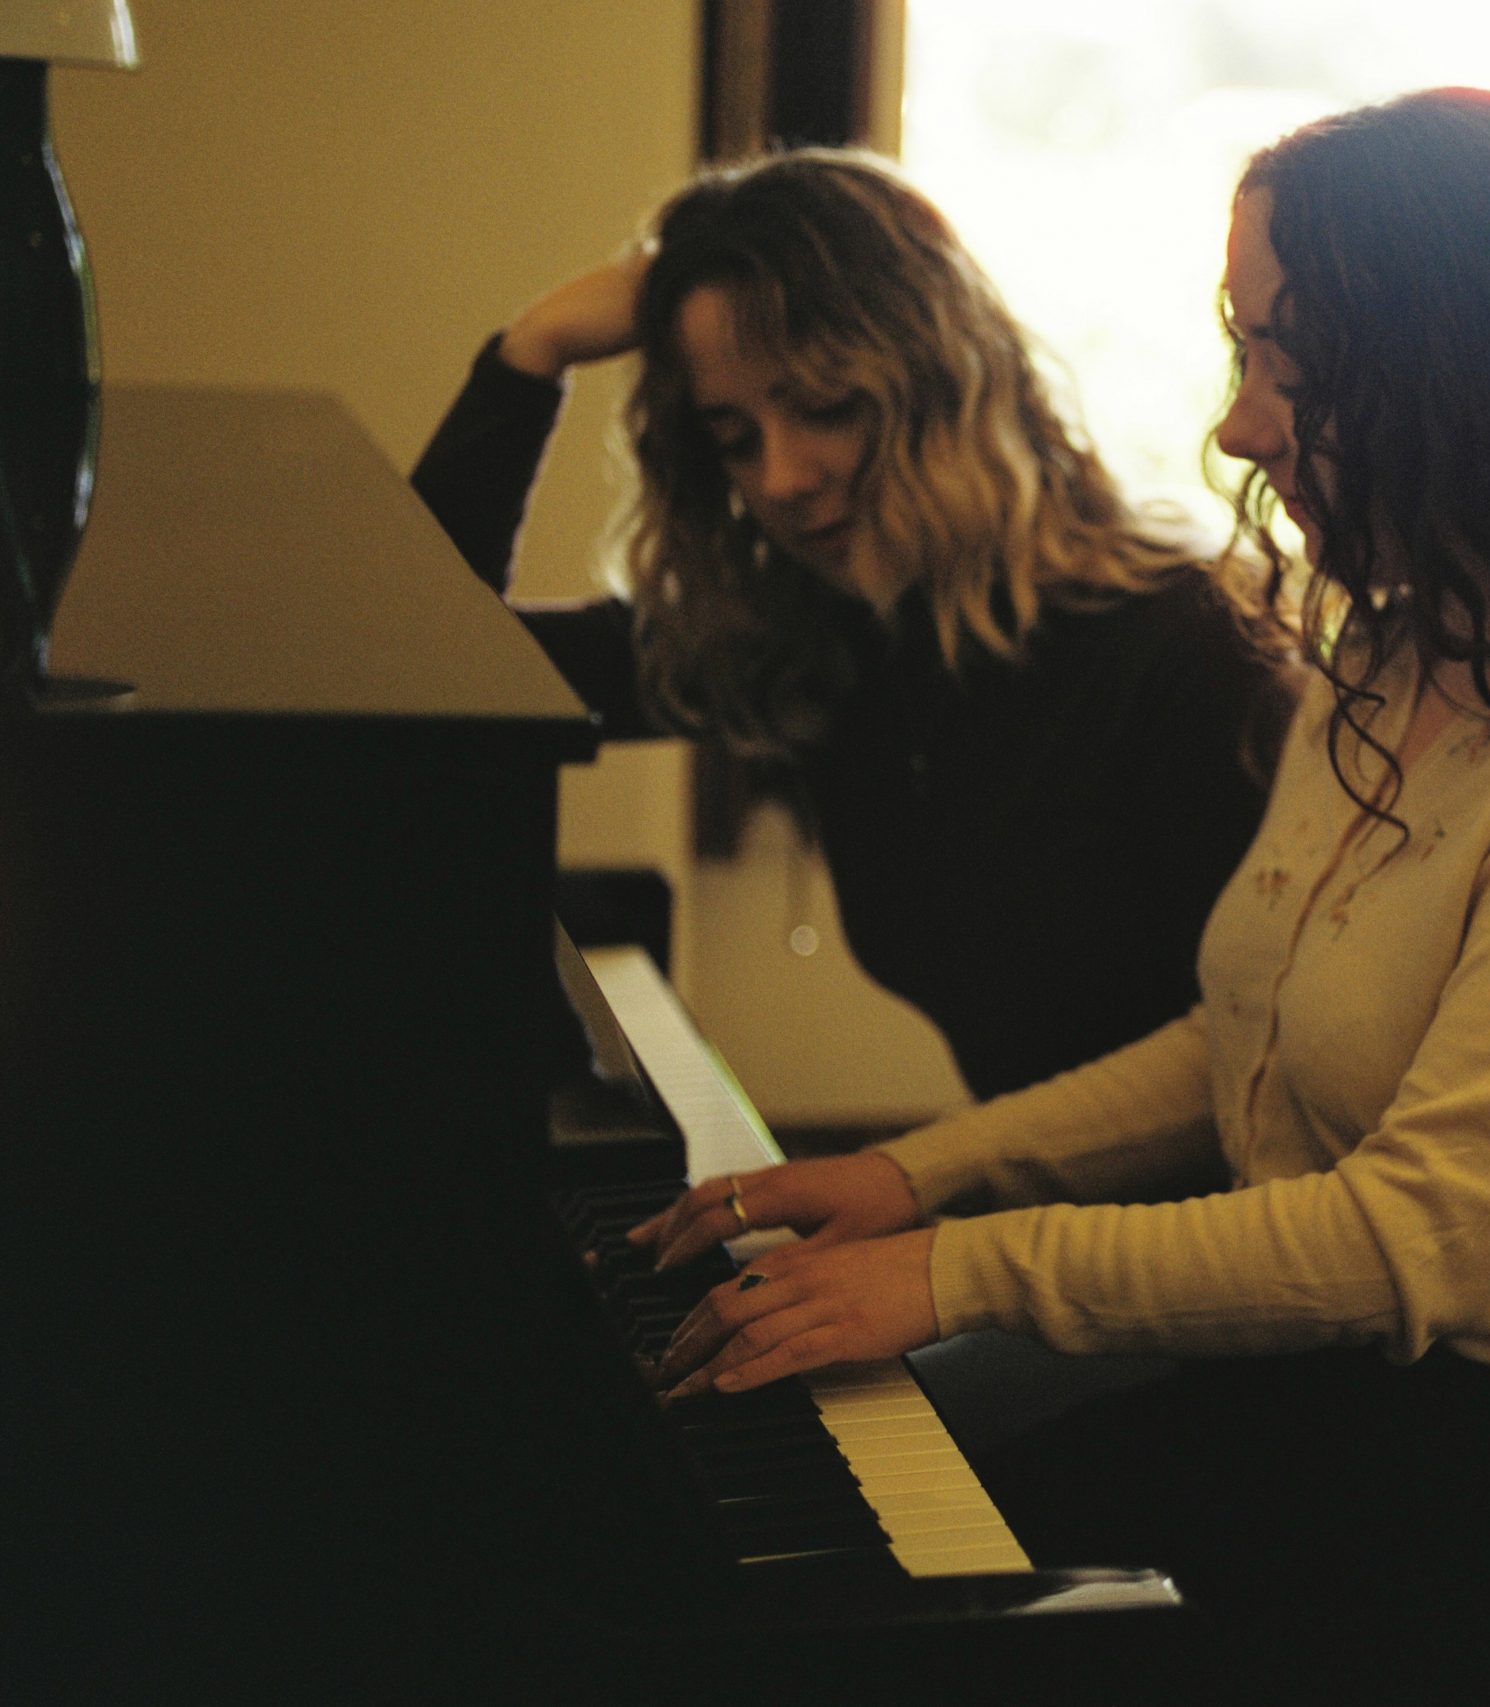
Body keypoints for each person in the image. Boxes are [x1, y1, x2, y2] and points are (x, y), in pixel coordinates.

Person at [633, 89, 1490, 1704]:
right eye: (1244, 352)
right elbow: (1232, 1036)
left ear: (1464, 367)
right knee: (789, 1546)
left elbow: (1404, 1242)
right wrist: (908, 1175)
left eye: (1285, 358)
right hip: (1338, 1418)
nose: (1238, 425)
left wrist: (959, 1266)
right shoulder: (1389, 660)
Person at [411, 149, 1293, 1101]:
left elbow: (1263, 1070)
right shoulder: (823, 639)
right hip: (1030, 1216)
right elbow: (425, 672)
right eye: (735, 437)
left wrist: (925, 1197)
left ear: (948, 376)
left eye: (826, 408)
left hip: (1204, 1232)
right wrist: (529, 354)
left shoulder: (1184, 641)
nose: (783, 480)